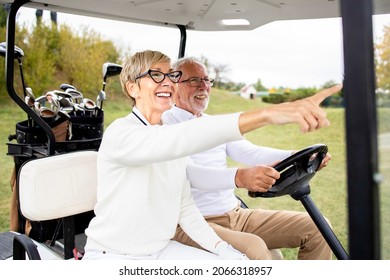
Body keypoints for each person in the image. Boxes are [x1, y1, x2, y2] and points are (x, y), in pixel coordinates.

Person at [82, 50, 341, 260]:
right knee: (258, 253)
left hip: (160, 247)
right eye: (155, 75)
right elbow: (182, 139)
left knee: (294, 242)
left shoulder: (173, 130)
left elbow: (185, 205)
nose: (167, 82)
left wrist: (220, 248)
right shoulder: (124, 134)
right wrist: (268, 115)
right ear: (132, 88)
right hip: (115, 254)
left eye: (170, 76)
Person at [162, 57, 334, 260]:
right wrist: (240, 177)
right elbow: (189, 174)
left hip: (235, 214)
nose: (203, 86)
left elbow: (250, 153)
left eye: (207, 80)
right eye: (194, 81)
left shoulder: (213, 124)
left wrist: (296, 156)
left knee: (320, 227)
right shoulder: (163, 126)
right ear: (173, 84)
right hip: (192, 222)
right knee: (257, 249)